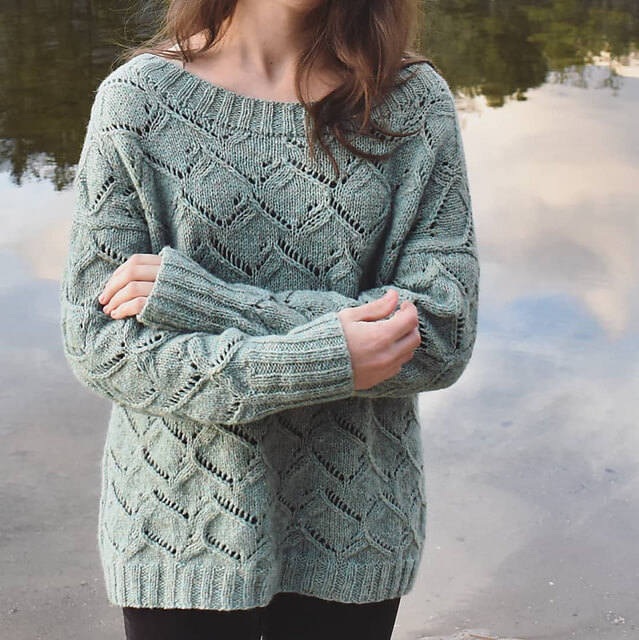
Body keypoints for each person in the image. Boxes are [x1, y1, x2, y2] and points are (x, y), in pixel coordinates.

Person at [59, 0, 480, 638]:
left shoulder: (411, 103)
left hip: (353, 525)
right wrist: (322, 357)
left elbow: (441, 334)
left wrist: (206, 303)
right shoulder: (136, 101)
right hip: (181, 527)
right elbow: (101, 344)